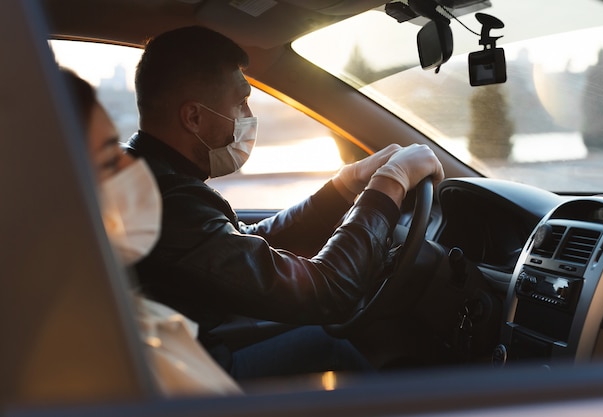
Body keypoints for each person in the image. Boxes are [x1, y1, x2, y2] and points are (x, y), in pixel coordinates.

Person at [126, 25, 445, 380]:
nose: (248, 116)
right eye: (241, 102)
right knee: (329, 343)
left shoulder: (147, 177)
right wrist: (389, 184)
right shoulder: (169, 204)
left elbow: (243, 246)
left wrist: (345, 185)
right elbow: (327, 293)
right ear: (194, 117)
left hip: (180, 357)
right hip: (192, 382)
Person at [60, 67, 242, 397]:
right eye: (107, 162)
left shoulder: (100, 301)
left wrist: (341, 189)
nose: (134, 170)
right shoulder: (79, 345)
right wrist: (369, 199)